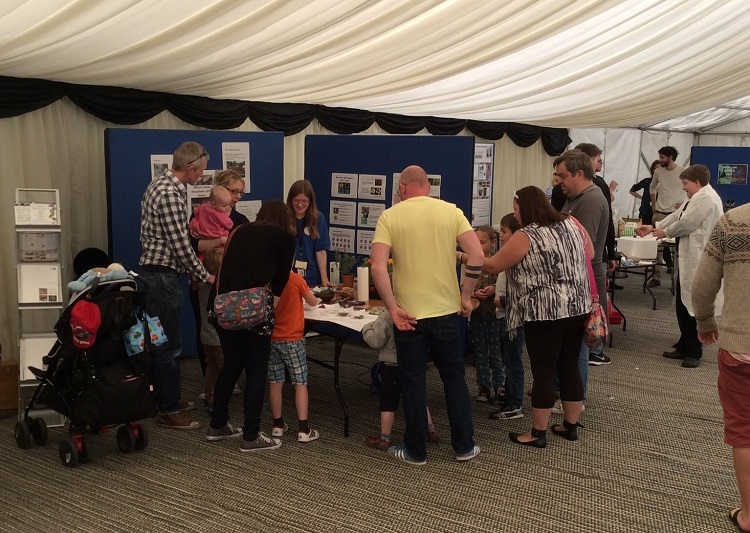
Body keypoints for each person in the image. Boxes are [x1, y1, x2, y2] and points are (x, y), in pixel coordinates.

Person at [371, 164, 483, 465]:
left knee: (413, 381)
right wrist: (466, 294)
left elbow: (378, 266)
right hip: (447, 312)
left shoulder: (390, 216)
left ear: (404, 187)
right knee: (454, 379)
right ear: (428, 187)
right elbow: (477, 255)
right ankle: (464, 446)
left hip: (409, 316)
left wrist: (393, 308)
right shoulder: (451, 211)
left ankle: (415, 451)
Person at [481, 186, 591, 448]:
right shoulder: (572, 224)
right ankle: (570, 426)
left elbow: (494, 265)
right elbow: (591, 254)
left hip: (544, 312)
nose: (515, 215)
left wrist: (462, 255)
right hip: (577, 307)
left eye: (516, 209)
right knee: (569, 366)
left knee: (543, 372)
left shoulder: (526, 235)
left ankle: (537, 433)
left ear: (526, 208)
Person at [205, 200, 296, 452]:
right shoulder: (285, 238)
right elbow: (280, 281)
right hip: (255, 312)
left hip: (224, 308)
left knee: (231, 366)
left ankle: (218, 425)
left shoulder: (239, 230)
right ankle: (251, 435)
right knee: (256, 371)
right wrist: (270, 312)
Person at [139, 141, 213, 430]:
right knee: (168, 345)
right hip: (162, 279)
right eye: (201, 171)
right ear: (191, 168)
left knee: (160, 341)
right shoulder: (171, 192)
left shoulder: (159, 183)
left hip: (156, 276)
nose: (202, 177)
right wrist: (203, 274)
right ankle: (168, 410)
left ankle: (167, 398)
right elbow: (180, 243)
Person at [691, 203, 750, 533]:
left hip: (742, 346)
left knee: (744, 430)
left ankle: (749, 514)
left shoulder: (733, 222)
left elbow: (702, 283)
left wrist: (704, 321)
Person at [636, 164, 723, 368]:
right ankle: (684, 344)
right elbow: (678, 216)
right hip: (687, 256)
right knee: (682, 302)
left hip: (698, 258)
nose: (683, 187)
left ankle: (694, 350)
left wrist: (664, 233)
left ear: (696, 182)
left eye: (685, 183)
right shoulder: (695, 197)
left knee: (693, 305)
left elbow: (686, 223)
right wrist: (655, 226)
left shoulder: (706, 199)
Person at [189, 170, 249, 395]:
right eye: (235, 191)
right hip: (203, 280)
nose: (238, 197)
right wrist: (220, 241)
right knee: (206, 330)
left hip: (229, 281)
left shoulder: (239, 219)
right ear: (222, 190)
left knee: (230, 331)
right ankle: (211, 382)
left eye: (241, 193)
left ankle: (228, 377)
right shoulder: (202, 214)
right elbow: (193, 247)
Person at [556, 149, 609, 377]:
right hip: (576, 279)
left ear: (579, 174)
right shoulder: (577, 198)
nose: (558, 181)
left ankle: (573, 398)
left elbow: (583, 247)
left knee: (576, 348)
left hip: (582, 281)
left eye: (563, 176)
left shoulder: (591, 201)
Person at [362, 311, 440, 450]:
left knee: (387, 404)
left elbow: (375, 340)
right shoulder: (418, 312)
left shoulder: (387, 315)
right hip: (414, 364)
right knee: (419, 397)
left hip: (392, 367)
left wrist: (367, 328)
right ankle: (431, 429)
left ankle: (385, 439)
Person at [573, 143, 616, 365]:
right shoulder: (580, 193)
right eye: (598, 159)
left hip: (589, 264)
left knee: (593, 308)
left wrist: (612, 253)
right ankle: (594, 349)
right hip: (591, 262)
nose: (600, 162)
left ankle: (594, 349)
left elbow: (587, 241)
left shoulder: (593, 194)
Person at [267, 270, 320, 443]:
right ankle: (304, 429)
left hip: (273, 338)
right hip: (293, 339)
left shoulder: (269, 279)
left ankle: (277, 425)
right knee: (300, 383)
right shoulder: (296, 279)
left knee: (275, 382)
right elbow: (313, 302)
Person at [488, 213, 525, 420]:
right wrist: (493, 290)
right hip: (505, 315)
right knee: (506, 358)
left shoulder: (517, 255)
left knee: (513, 361)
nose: (501, 236)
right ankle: (510, 395)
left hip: (514, 318)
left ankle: (514, 404)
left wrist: (502, 301)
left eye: (504, 232)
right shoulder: (508, 253)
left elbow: (521, 291)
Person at [465, 226, 504, 404]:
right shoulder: (470, 262)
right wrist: (473, 293)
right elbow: (463, 288)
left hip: (495, 314)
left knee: (496, 351)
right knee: (480, 351)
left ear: (493, 242)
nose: (478, 246)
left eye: (482, 242)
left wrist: (494, 289)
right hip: (479, 314)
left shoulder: (499, 262)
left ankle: (499, 384)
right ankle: (483, 386)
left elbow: (505, 286)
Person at [648, 146, 686, 287]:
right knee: (657, 247)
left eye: (662, 157)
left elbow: (690, 187)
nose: (660, 160)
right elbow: (652, 187)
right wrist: (653, 204)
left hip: (676, 215)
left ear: (670, 157)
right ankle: (656, 276)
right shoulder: (658, 171)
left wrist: (683, 203)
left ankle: (675, 280)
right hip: (660, 213)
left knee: (677, 248)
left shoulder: (683, 171)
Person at [286, 180, 333, 287]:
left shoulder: (318, 218)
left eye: (304, 201)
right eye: (296, 200)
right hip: (289, 276)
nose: (300, 204)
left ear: (310, 201)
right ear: (290, 200)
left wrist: (324, 279)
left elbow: (320, 250)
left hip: (311, 276)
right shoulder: (285, 217)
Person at [198, 248, 224, 414]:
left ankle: (209, 396)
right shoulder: (219, 290)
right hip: (218, 339)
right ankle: (219, 399)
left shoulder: (201, 286)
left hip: (206, 337)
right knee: (225, 369)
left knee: (212, 367)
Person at [188, 185, 233, 261]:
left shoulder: (202, 206)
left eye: (228, 205)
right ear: (213, 204)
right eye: (224, 206)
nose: (227, 208)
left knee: (204, 257)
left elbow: (195, 212)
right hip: (216, 236)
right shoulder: (220, 214)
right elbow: (229, 225)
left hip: (203, 235)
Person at [629, 160, 659, 226]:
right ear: (652, 170)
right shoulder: (646, 181)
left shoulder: (663, 183)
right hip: (645, 212)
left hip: (658, 213)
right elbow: (632, 190)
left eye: (659, 169)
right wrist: (642, 198)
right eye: (655, 168)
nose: (657, 171)